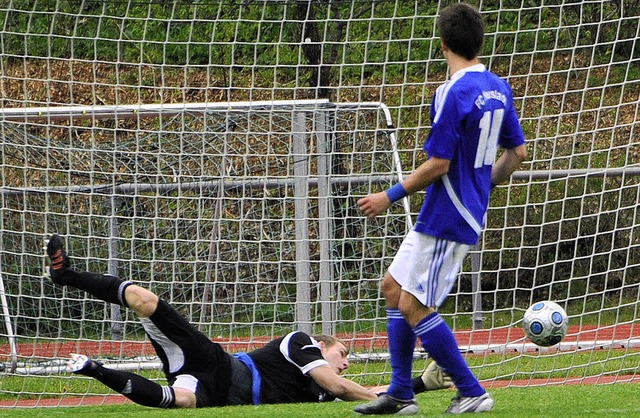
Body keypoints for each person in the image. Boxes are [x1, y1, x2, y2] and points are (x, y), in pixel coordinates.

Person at [354, 3, 527, 415]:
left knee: (414, 305)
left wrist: (388, 196)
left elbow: (439, 163)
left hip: (449, 213)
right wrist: (482, 188)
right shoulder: (499, 86)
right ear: (479, 42)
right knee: (393, 288)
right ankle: (400, 392)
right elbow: (517, 152)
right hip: (454, 209)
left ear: (443, 43)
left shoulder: (451, 92)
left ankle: (471, 390)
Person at [46, 233, 380, 408]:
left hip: (213, 394)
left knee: (181, 401)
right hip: (216, 365)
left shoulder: (323, 392)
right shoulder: (301, 342)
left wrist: (413, 389)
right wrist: (380, 401)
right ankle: (67, 275)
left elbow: (363, 391)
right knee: (145, 301)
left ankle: (95, 370)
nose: (347, 363)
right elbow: (341, 387)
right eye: (344, 353)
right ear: (322, 345)